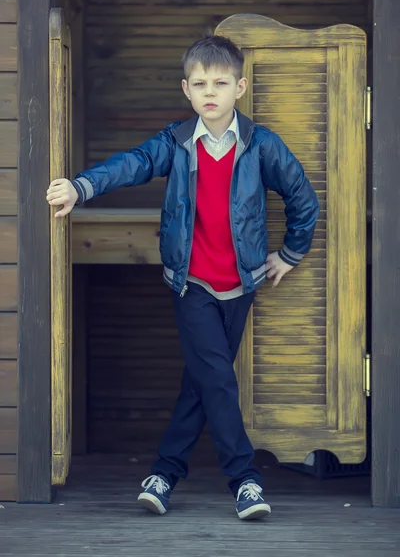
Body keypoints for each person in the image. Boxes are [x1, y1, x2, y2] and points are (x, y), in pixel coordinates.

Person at [46, 35, 319, 521]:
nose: (209, 91)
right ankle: (246, 479)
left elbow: (302, 198)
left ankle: (164, 473)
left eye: (219, 83)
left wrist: (291, 253)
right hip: (191, 284)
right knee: (217, 378)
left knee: (202, 381)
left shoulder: (261, 146)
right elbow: (132, 163)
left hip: (241, 285)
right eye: (199, 84)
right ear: (186, 90)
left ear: (240, 87)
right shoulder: (175, 143)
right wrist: (81, 186)